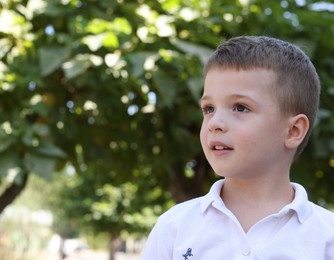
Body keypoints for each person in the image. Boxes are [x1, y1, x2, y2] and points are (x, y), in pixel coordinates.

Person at [141, 36, 334, 259]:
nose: (214, 123)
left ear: (293, 131)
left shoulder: (326, 238)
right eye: (209, 108)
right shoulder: (173, 228)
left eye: (240, 108)